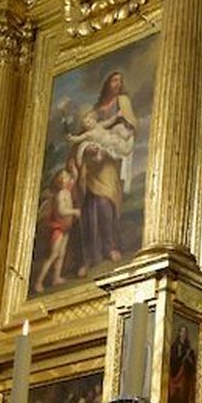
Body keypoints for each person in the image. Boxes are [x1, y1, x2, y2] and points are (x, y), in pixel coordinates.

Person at [70, 70, 134, 275]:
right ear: (107, 83)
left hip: (109, 164)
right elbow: (82, 138)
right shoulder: (95, 111)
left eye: (120, 81)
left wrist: (116, 137)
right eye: (114, 80)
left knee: (106, 204)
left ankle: (110, 247)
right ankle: (90, 257)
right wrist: (85, 150)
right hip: (91, 168)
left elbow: (130, 125)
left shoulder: (122, 102)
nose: (117, 83)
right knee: (89, 210)